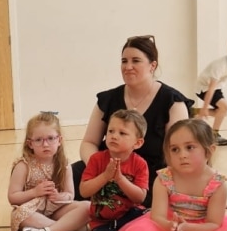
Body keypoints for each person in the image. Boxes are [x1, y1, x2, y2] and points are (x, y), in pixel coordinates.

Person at [77, 35, 193, 207]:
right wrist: (101, 167)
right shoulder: (108, 98)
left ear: (152, 65)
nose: (128, 67)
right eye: (124, 61)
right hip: (107, 168)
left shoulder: (172, 102)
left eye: (136, 61)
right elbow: (89, 142)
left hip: (149, 175)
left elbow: (179, 151)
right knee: (65, 185)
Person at [8, 112, 91, 231]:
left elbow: (70, 195)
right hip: (32, 211)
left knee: (88, 207)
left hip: (57, 209)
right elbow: (13, 197)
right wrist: (35, 192)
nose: (45, 144)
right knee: (19, 215)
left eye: (51, 138)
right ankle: (69, 227)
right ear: (30, 144)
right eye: (39, 140)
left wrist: (59, 197)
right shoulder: (23, 165)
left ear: (59, 140)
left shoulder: (64, 165)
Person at [80, 109, 150, 231]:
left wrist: (120, 179)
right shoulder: (96, 159)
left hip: (130, 216)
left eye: (122, 133)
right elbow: (84, 191)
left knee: (150, 215)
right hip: (103, 222)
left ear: (137, 143)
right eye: (111, 131)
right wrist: (105, 176)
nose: (114, 136)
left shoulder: (140, 164)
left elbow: (140, 198)